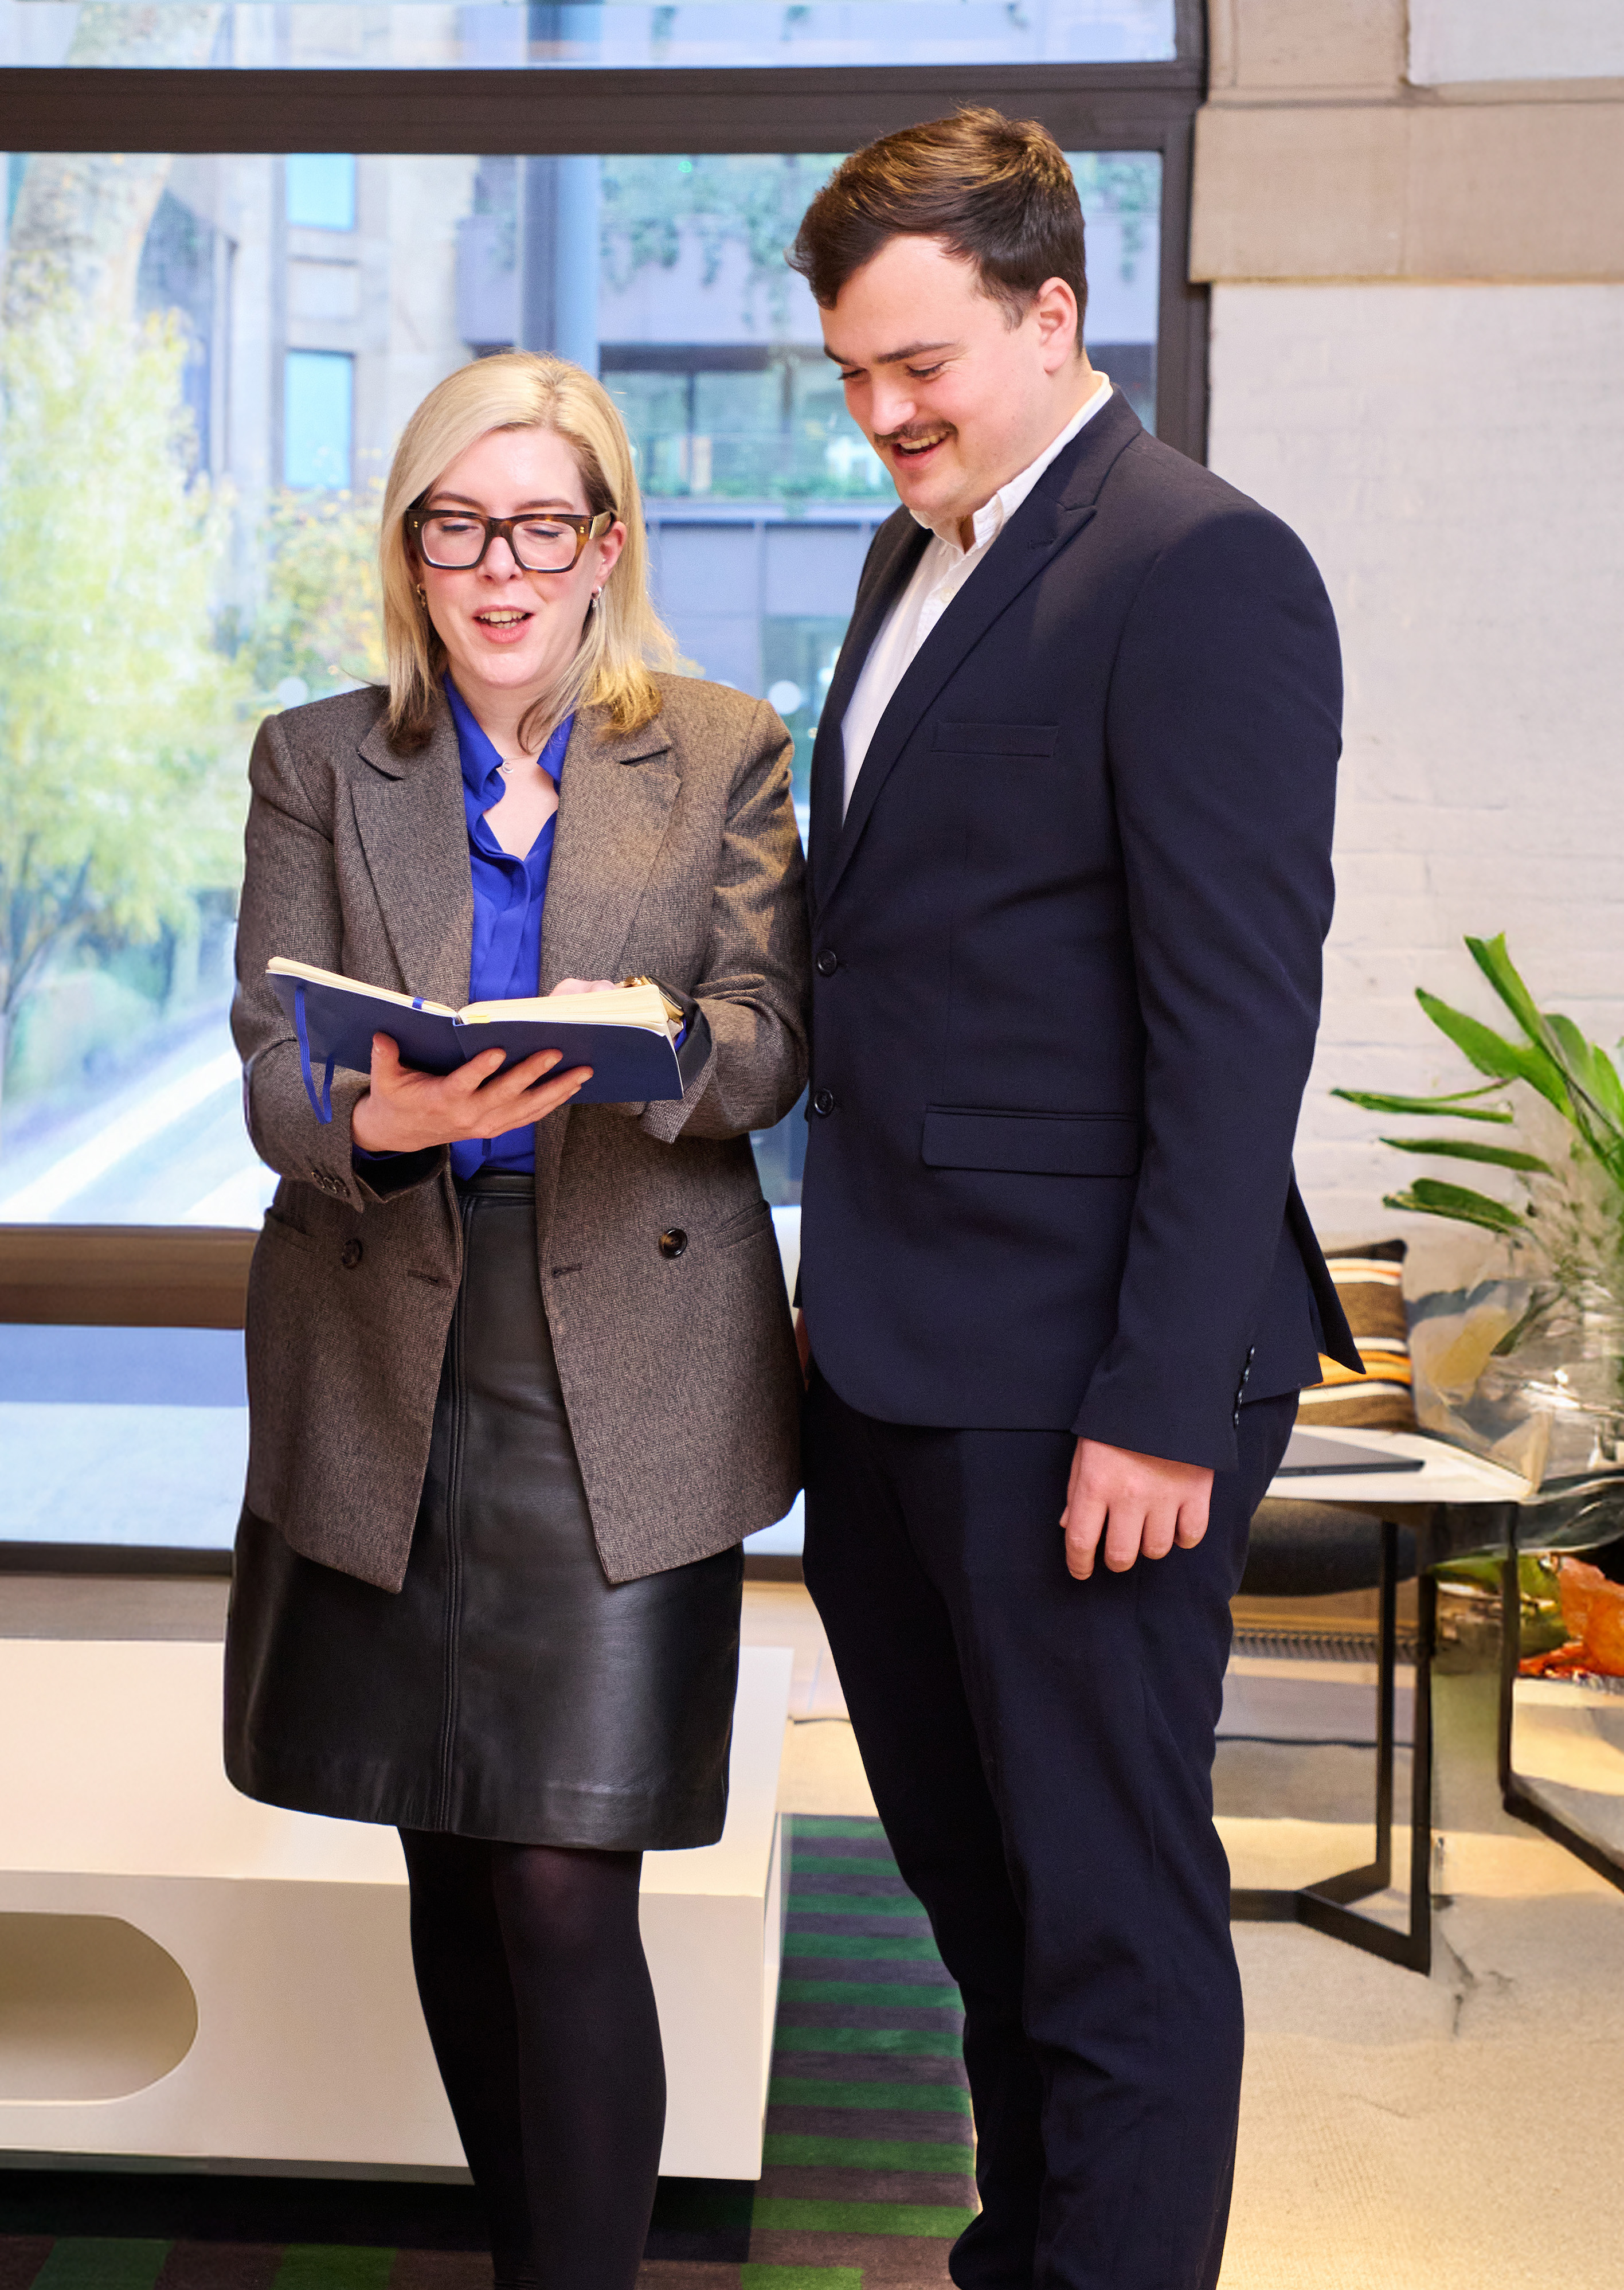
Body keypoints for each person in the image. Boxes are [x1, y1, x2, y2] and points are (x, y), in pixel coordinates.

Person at [788, 111, 1361, 2290]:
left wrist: (1148, 1403)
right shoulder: (905, 555)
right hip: (905, 1356)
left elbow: (1235, 1028)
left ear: (1055, 311)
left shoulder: (1196, 563)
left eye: (914, 362)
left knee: (1110, 1925)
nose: (879, 413)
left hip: (1091, 1391)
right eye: (847, 373)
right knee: (974, 1894)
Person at [224, 350, 808, 2290]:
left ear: (604, 542)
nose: (498, 567)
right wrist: (367, 1119)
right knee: (454, 1862)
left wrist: (655, 1051)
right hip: (387, 1344)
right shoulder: (320, 757)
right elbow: (267, 1062)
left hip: (618, 1372)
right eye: (457, 526)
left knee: (565, 1883)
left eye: (539, 525)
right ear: (413, 546)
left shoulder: (718, 745)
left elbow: (773, 1039)